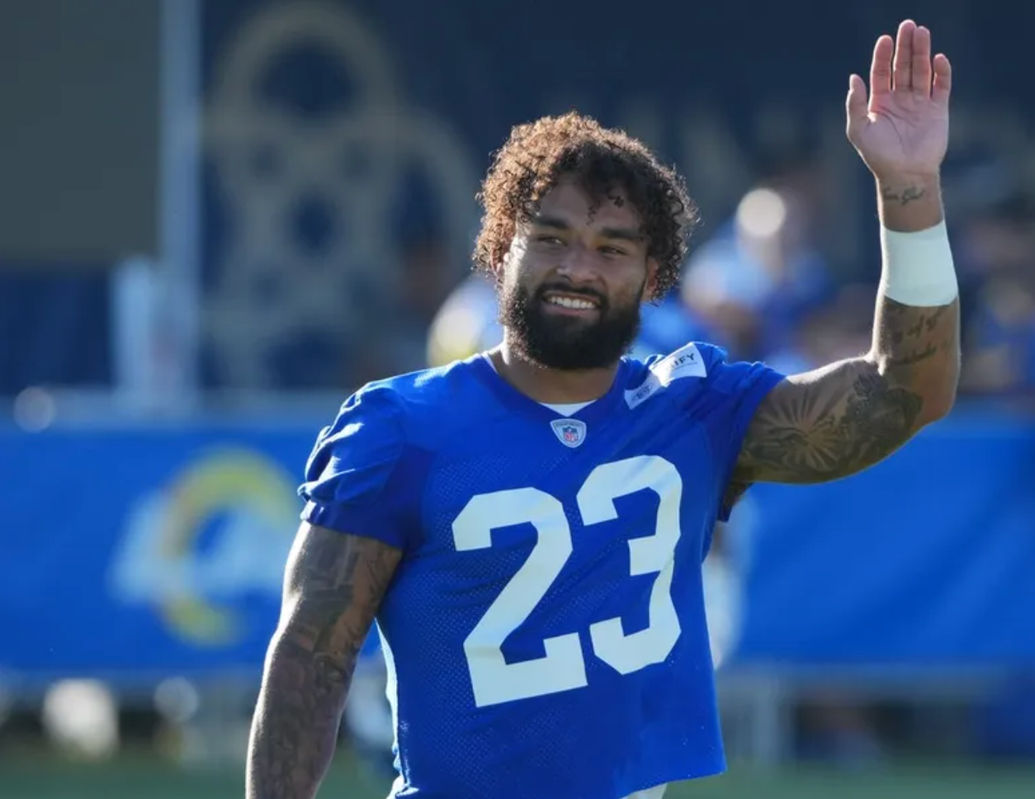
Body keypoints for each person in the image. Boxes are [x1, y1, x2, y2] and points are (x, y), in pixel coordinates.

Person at [246, 19, 959, 799]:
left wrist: (909, 191)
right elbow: (312, 655)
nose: (577, 268)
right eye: (550, 237)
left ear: (653, 276)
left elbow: (904, 393)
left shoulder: (693, 408)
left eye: (612, 248)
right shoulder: (399, 427)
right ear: (498, 250)